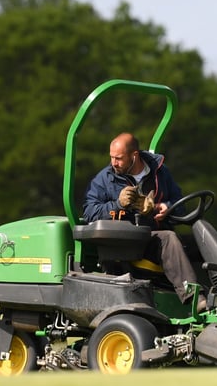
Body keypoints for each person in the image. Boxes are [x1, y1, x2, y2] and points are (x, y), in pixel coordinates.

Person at [83, 132, 207, 312]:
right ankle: (193, 298)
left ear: (134, 156)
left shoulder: (161, 173)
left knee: (202, 239)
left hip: (154, 240)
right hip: (127, 243)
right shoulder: (105, 179)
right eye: (111, 158)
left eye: (118, 158)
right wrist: (118, 204)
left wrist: (165, 207)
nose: (113, 163)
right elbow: (89, 213)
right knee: (169, 239)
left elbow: (179, 204)